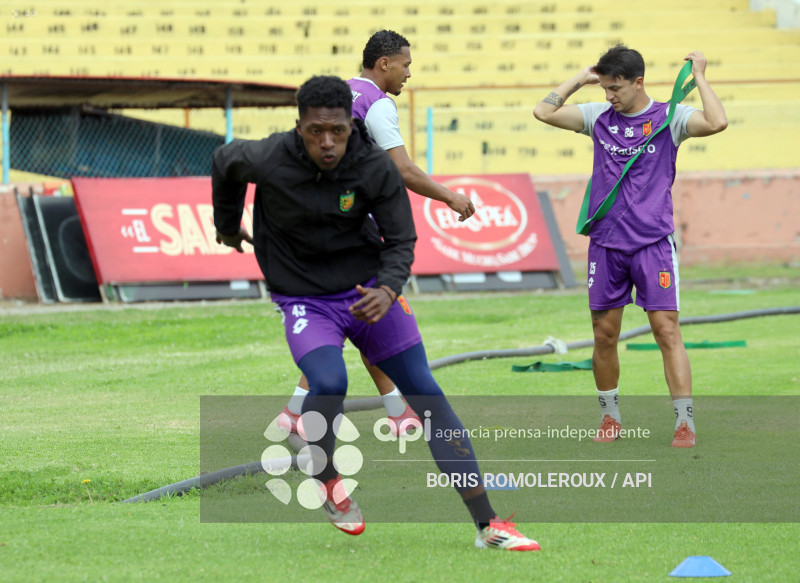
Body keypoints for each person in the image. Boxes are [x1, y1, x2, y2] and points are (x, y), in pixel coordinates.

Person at [212, 75, 539, 550]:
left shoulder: (373, 166)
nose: (328, 142)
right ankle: (326, 479)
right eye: (315, 130)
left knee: (427, 394)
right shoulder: (267, 157)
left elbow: (402, 240)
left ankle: (489, 526)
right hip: (305, 299)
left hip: (369, 292)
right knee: (328, 382)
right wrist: (227, 226)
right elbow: (224, 162)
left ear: (351, 124)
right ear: (299, 124)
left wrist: (387, 289)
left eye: (338, 131)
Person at [279, 30, 476, 438]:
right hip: (345, 227)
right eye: (405, 65)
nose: (408, 74)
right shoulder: (378, 105)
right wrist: (450, 197)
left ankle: (384, 411)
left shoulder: (337, 93)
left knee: (356, 312)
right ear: (384, 63)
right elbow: (402, 170)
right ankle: (301, 415)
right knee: (372, 308)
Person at [533, 46, 727, 448]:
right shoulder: (597, 118)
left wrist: (701, 76)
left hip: (653, 243)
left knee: (665, 330)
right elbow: (544, 112)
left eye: (615, 88)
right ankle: (610, 418)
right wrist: (579, 78)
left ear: (639, 82)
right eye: (604, 88)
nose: (609, 96)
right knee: (604, 334)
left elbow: (717, 121)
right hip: (605, 245)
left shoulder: (670, 118)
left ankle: (684, 422)